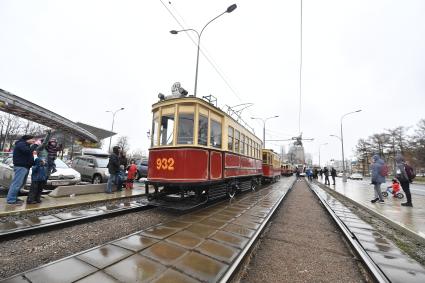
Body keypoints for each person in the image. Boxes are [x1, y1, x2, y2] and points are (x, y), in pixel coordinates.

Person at [6, 135, 37, 205]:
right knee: (16, 184)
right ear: (27, 139)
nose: (33, 141)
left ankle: (14, 198)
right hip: (21, 167)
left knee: (20, 184)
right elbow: (27, 151)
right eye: (32, 139)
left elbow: (27, 155)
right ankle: (11, 200)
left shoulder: (26, 145)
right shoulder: (21, 144)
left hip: (25, 167)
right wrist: (35, 145)